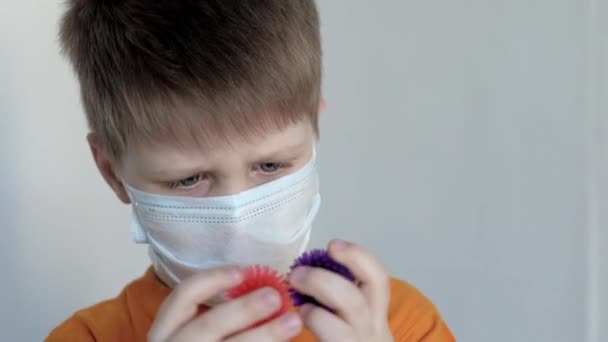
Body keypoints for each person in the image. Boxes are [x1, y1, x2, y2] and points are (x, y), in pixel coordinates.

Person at [47, 1, 455, 341]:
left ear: (313, 133)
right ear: (111, 172)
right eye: (189, 179)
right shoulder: (88, 337)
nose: (238, 222)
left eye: (270, 165)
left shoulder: (399, 324)